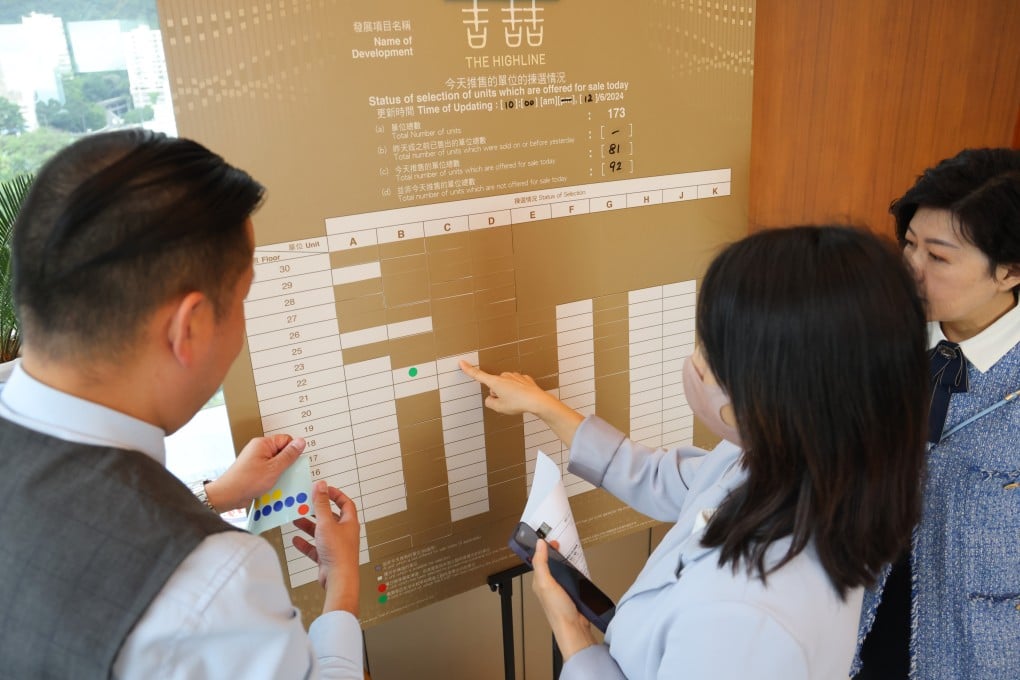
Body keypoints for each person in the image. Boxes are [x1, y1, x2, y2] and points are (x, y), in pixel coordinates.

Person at [461, 225, 930, 679]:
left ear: (771, 392)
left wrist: (575, 641)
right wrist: (544, 406)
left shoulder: (745, 617)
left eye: (708, 347)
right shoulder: (792, 463)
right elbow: (664, 479)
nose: (694, 361)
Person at [0, 130, 363, 679]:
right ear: (189, 327)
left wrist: (213, 497)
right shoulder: (214, 582)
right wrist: (343, 588)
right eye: (242, 298)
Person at [854, 148, 1020, 679]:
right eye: (909, 244)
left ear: (1009, 271)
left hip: (978, 652)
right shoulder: (876, 335)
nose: (910, 269)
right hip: (854, 620)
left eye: (939, 257)